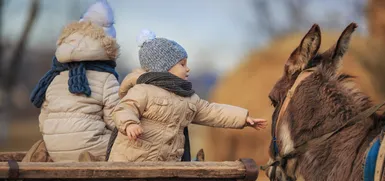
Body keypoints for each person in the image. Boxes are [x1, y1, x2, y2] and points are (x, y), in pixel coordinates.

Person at [108, 29, 267, 162]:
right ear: (164, 68)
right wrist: (129, 124)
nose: (188, 69)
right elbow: (124, 108)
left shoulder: (188, 98)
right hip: (131, 163)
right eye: (182, 64)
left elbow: (212, 111)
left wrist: (243, 118)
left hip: (165, 166)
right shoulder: (143, 90)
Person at [29, 0, 120, 162]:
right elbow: (115, 120)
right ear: (108, 45)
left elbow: (44, 119)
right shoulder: (106, 78)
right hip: (94, 147)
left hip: (55, 149)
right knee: (130, 145)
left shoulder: (55, 77)